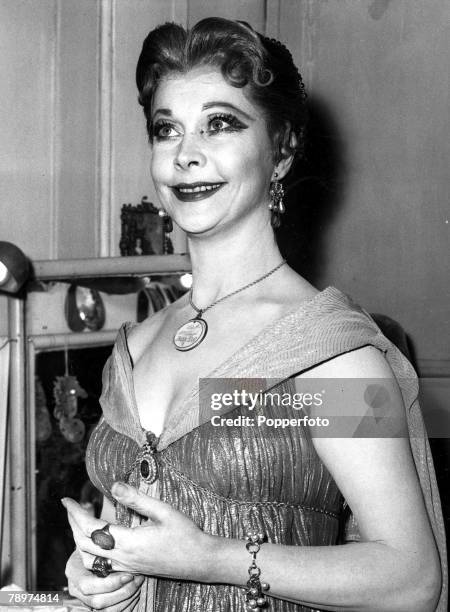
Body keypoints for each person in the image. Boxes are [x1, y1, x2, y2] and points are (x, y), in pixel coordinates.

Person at [62, 17, 447, 611]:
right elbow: (136, 527)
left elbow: (410, 580)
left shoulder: (325, 356)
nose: (186, 155)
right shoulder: (137, 345)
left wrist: (213, 559)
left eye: (220, 124)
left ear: (282, 151)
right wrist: (101, 565)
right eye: (167, 130)